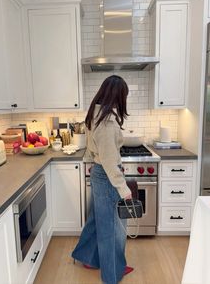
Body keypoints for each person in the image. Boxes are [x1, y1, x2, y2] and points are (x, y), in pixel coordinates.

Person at [72, 75, 134, 284]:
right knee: (113, 230)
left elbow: (93, 151)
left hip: (99, 174)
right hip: (108, 177)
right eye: (123, 96)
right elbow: (109, 162)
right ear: (117, 96)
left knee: (97, 220)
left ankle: (87, 256)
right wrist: (123, 188)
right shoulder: (107, 123)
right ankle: (112, 274)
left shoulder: (94, 114)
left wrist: (95, 168)